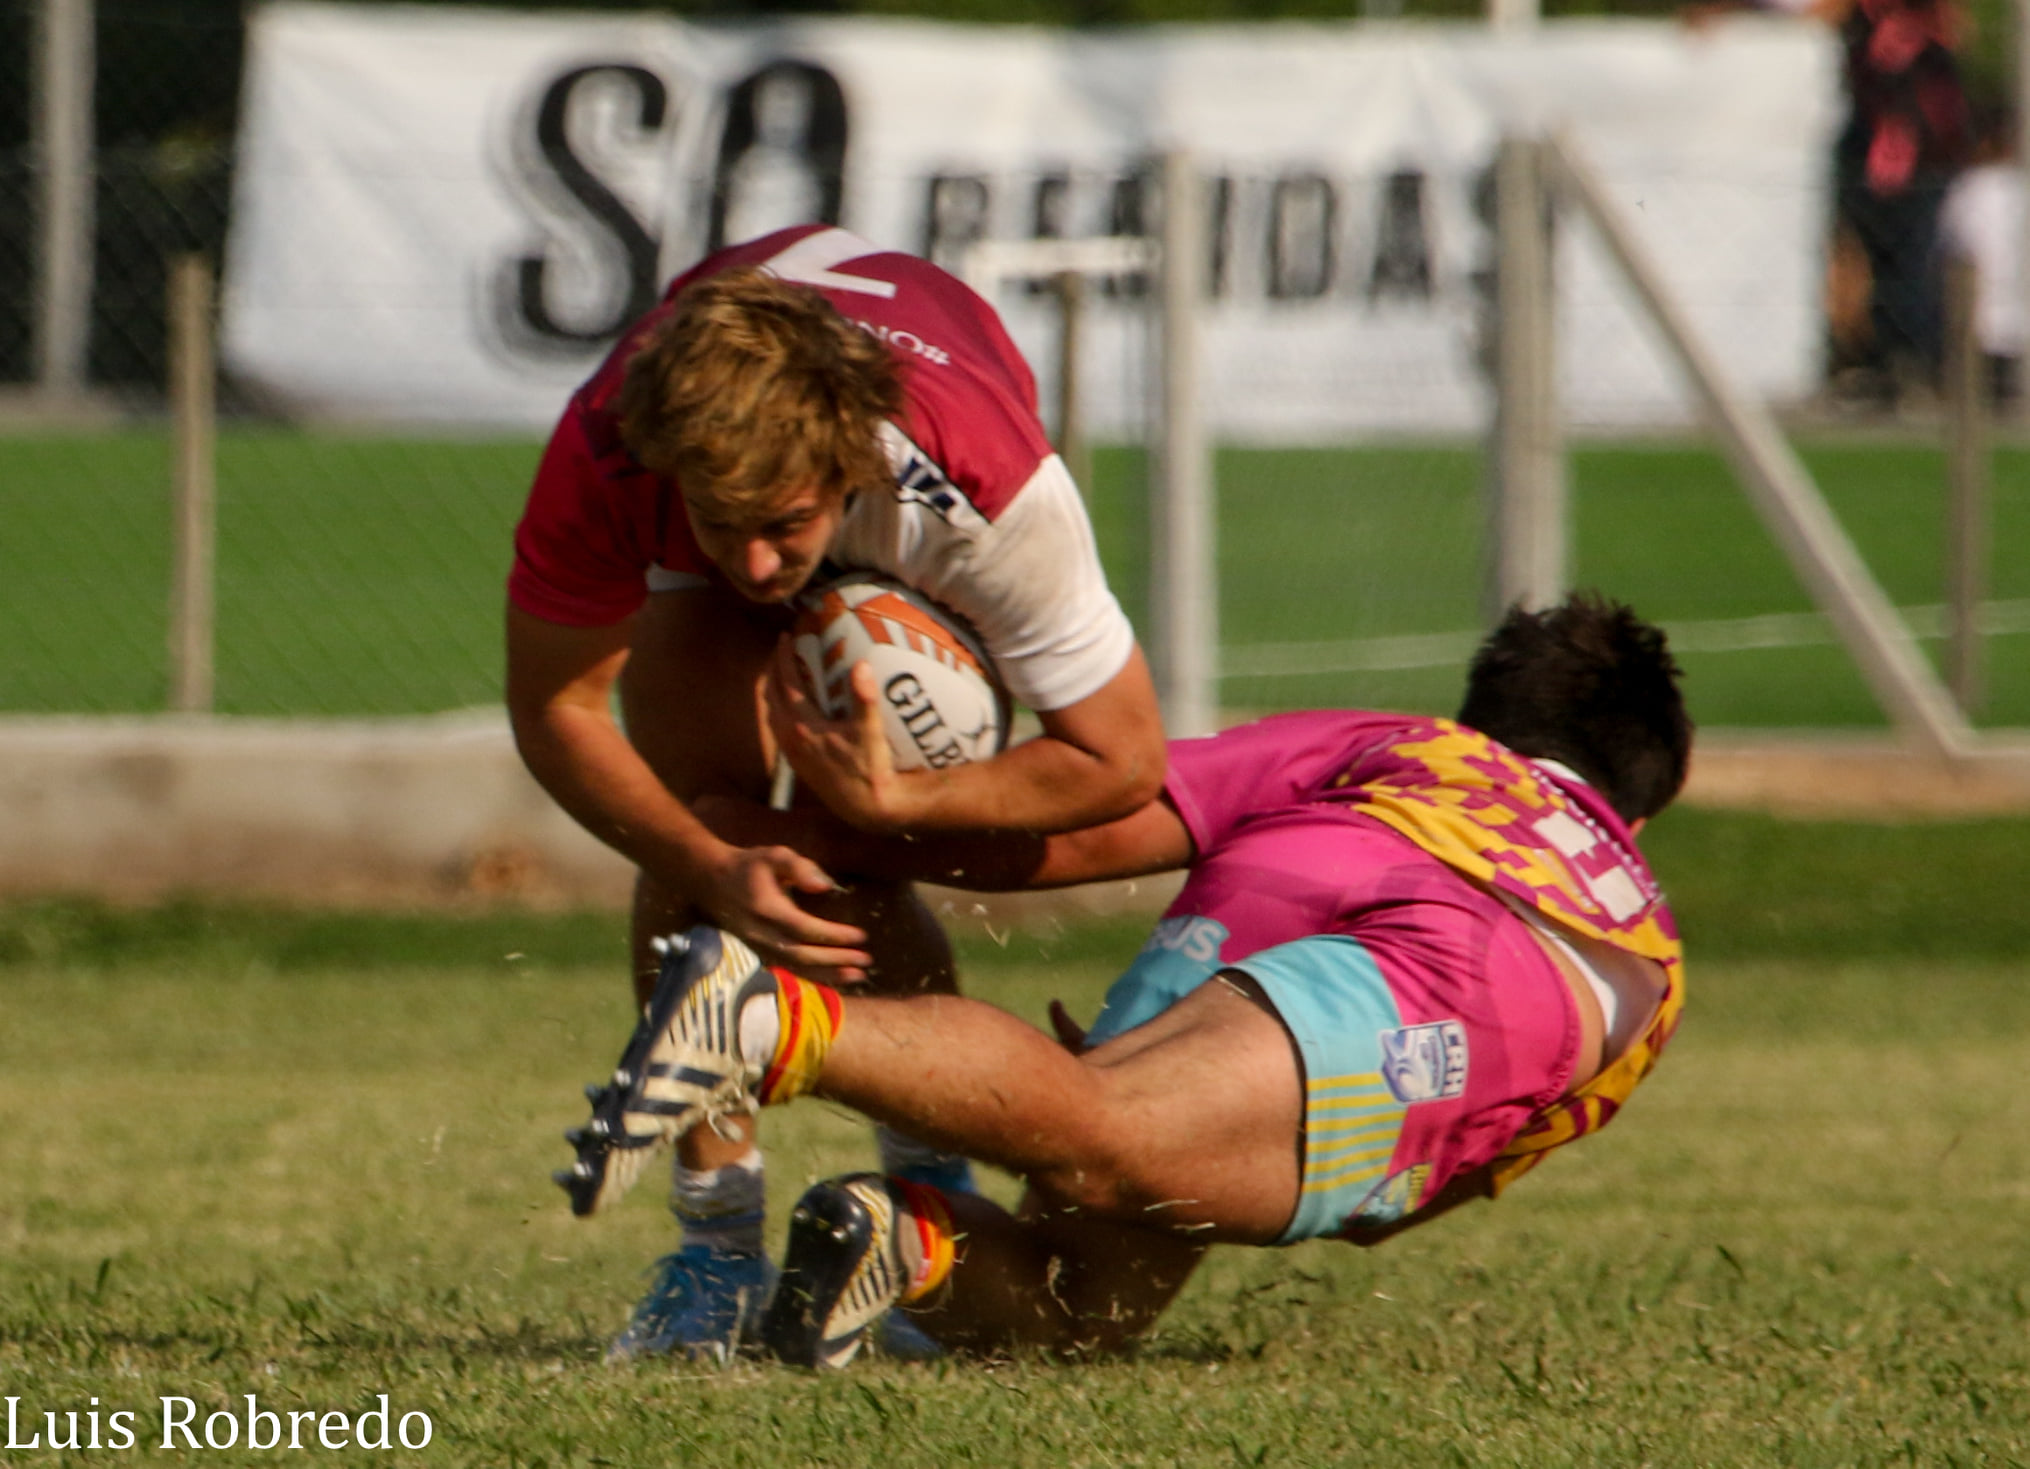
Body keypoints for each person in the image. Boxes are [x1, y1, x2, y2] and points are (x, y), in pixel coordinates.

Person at [571, 593, 1692, 1366]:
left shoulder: (1396, 741)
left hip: (1257, 907)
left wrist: (797, 833)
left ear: (1484, 718)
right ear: (1633, 808)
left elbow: (1086, 831)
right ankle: (769, 1024)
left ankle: (899, 1239)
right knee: (1103, 1129)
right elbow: (1424, 1190)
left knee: (1080, 1304)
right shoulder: (1642, 943)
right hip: (1458, 973)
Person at [509, 223, 1165, 1358]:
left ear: (846, 470)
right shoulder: (616, 447)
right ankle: (713, 1255)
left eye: (784, 526)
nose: (755, 567)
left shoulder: (983, 485)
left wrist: (900, 808)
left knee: (849, 851)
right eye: (727, 525)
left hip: (923, 468)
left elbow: (1121, 757)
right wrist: (711, 862)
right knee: (708, 831)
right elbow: (556, 709)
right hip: (728, 471)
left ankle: (926, 1200)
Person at [1938, 101, 2025, 408]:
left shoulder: (1972, 187)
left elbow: (1949, 240)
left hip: (1984, 299)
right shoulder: (1979, 186)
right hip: (1983, 296)